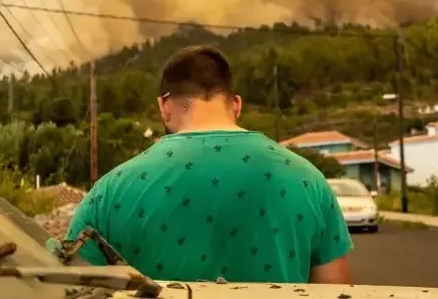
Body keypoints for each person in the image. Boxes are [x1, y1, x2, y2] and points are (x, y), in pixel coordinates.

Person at [62, 45, 353, 284]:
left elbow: (68, 287)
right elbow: (337, 292)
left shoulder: (110, 191)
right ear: (236, 105)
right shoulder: (307, 180)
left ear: (164, 106)